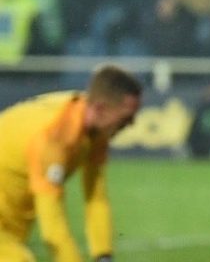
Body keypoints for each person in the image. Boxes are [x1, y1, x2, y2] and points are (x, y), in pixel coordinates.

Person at [0, 65, 143, 262]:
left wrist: (103, 256)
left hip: (10, 229)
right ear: (100, 109)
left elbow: (96, 198)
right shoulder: (54, 139)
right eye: (126, 117)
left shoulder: (94, 130)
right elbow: (52, 228)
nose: (132, 124)